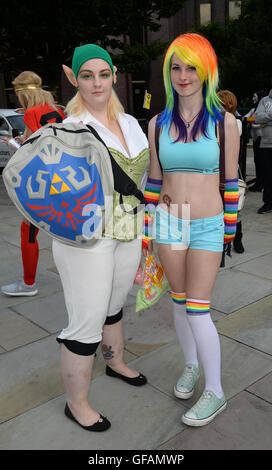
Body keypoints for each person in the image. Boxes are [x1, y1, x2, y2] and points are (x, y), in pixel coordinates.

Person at [142, 33, 239, 427]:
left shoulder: (224, 121)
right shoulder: (156, 123)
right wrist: (149, 231)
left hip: (207, 226)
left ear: (206, 70)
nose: (183, 76)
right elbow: (153, 182)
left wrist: (227, 233)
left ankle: (215, 391)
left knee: (199, 310)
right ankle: (191, 366)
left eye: (191, 67)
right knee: (179, 303)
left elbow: (230, 182)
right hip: (168, 222)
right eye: (176, 67)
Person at [54, 44, 149, 432]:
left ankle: (114, 362)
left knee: (113, 304)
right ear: (72, 77)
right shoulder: (67, 127)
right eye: (87, 75)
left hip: (128, 229)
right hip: (86, 238)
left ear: (113, 73)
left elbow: (142, 180)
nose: (97, 83)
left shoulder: (129, 123)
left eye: (104, 74)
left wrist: (149, 236)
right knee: (86, 320)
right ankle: (76, 403)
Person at [1, 71, 65, 297]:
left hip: (41, 184)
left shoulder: (31, 112)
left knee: (28, 231)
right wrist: (23, 139)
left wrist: (11, 143)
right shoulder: (56, 110)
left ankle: (28, 284)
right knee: (64, 231)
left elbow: (30, 154)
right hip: (63, 179)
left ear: (22, 93)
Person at [217, 90, 244, 254]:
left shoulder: (233, 122)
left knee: (235, 205)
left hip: (231, 169)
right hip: (217, 169)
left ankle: (237, 237)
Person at [254, 88, 272, 214]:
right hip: (266, 144)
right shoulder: (265, 100)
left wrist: (267, 121)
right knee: (268, 176)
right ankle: (268, 203)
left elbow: (262, 119)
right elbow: (257, 118)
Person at [245, 90, 266, 192]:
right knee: (257, 162)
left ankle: (261, 183)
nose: (253, 98)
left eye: (255, 96)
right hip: (255, 138)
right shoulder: (254, 109)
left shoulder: (264, 108)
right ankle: (259, 182)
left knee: (261, 162)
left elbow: (259, 123)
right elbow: (247, 117)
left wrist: (252, 121)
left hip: (262, 138)